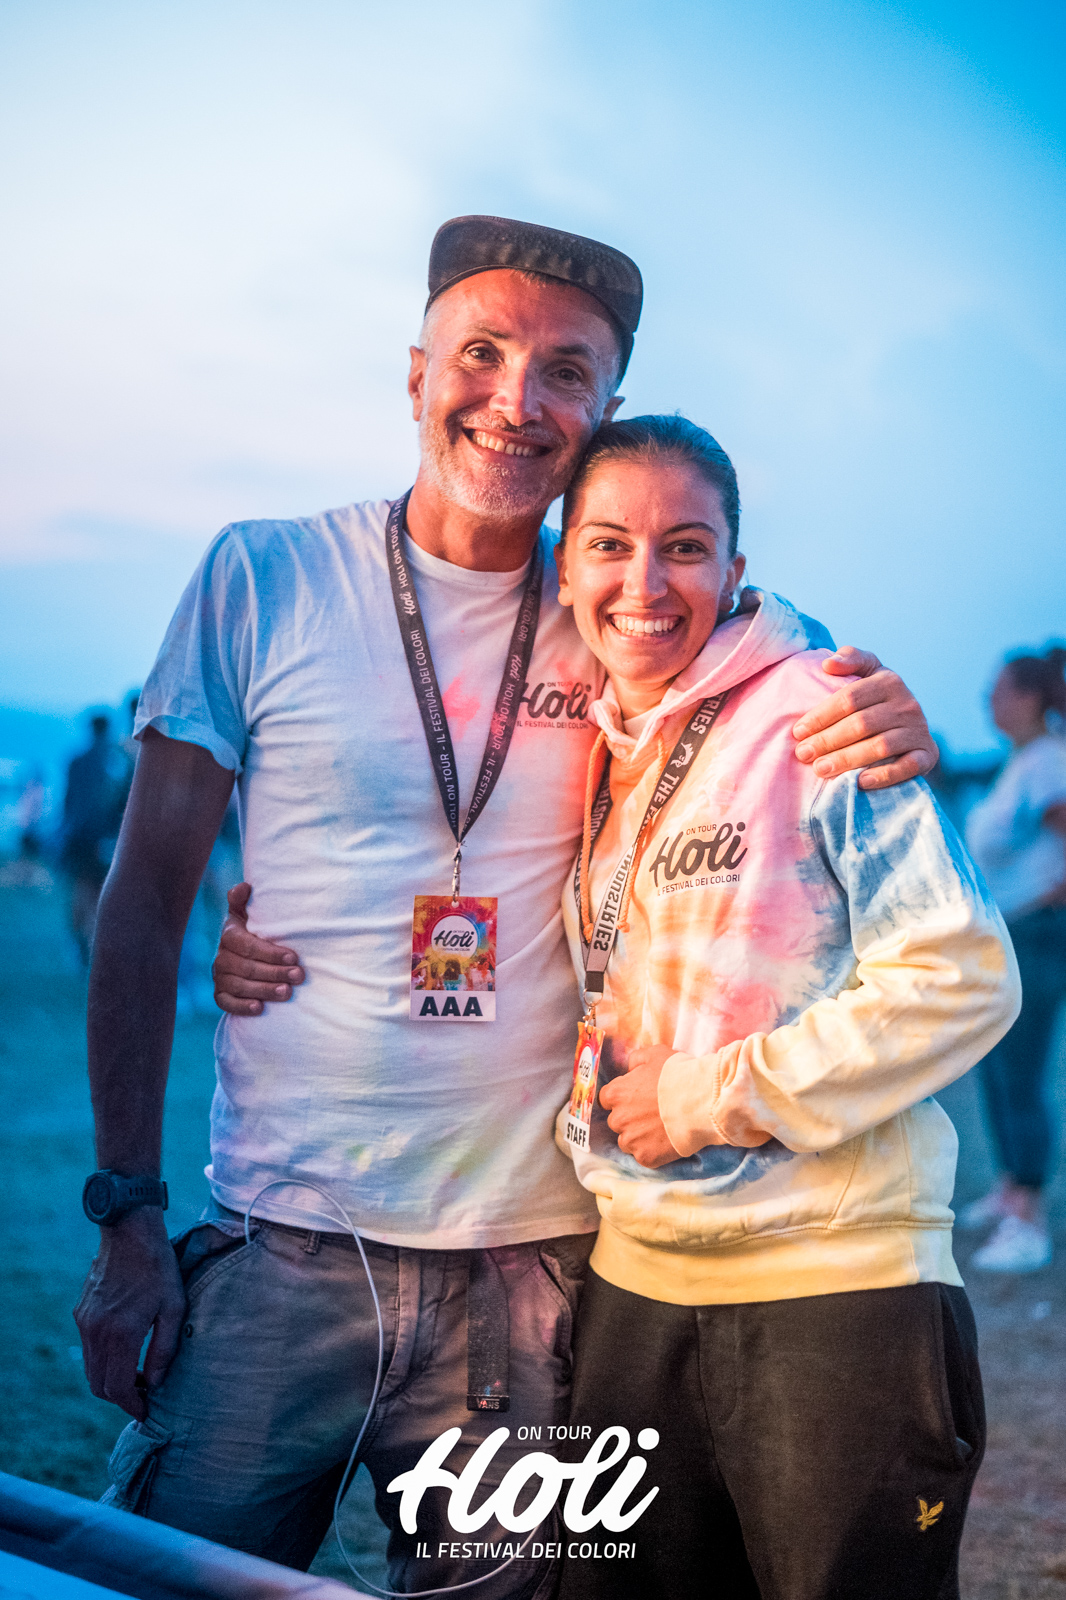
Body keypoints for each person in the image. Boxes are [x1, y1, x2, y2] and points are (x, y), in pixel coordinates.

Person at [76, 216, 938, 1597]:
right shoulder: (263, 576)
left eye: (566, 371)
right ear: (416, 372)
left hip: (529, 1271)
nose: (516, 399)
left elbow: (770, 663)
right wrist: (127, 1216)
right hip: (283, 1241)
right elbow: (139, 905)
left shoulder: (614, 607)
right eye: (481, 353)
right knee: (167, 1579)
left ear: (601, 407)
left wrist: (876, 702)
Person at [541, 415, 1019, 1600]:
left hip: (834, 1292)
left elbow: (962, 972)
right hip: (634, 1289)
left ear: (734, 568)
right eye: (609, 544)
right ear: (564, 568)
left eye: (684, 546)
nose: (644, 583)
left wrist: (710, 1098)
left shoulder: (819, 709)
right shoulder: (594, 743)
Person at [960, 647, 1066, 1273]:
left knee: (1019, 1072)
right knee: (998, 1065)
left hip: (1036, 933)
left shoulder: (1048, 761)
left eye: (998, 690)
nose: (988, 700)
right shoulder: (1024, 761)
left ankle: (1029, 1219)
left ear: (1029, 698)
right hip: (1010, 933)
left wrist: (1048, 897)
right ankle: (1010, 1190)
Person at [60, 714, 128, 966]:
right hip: (100, 837)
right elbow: (115, 803)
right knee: (99, 891)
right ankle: (91, 944)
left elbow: (68, 802)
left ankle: (80, 942)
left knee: (81, 888)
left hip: (77, 836)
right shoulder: (113, 762)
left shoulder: (76, 760)